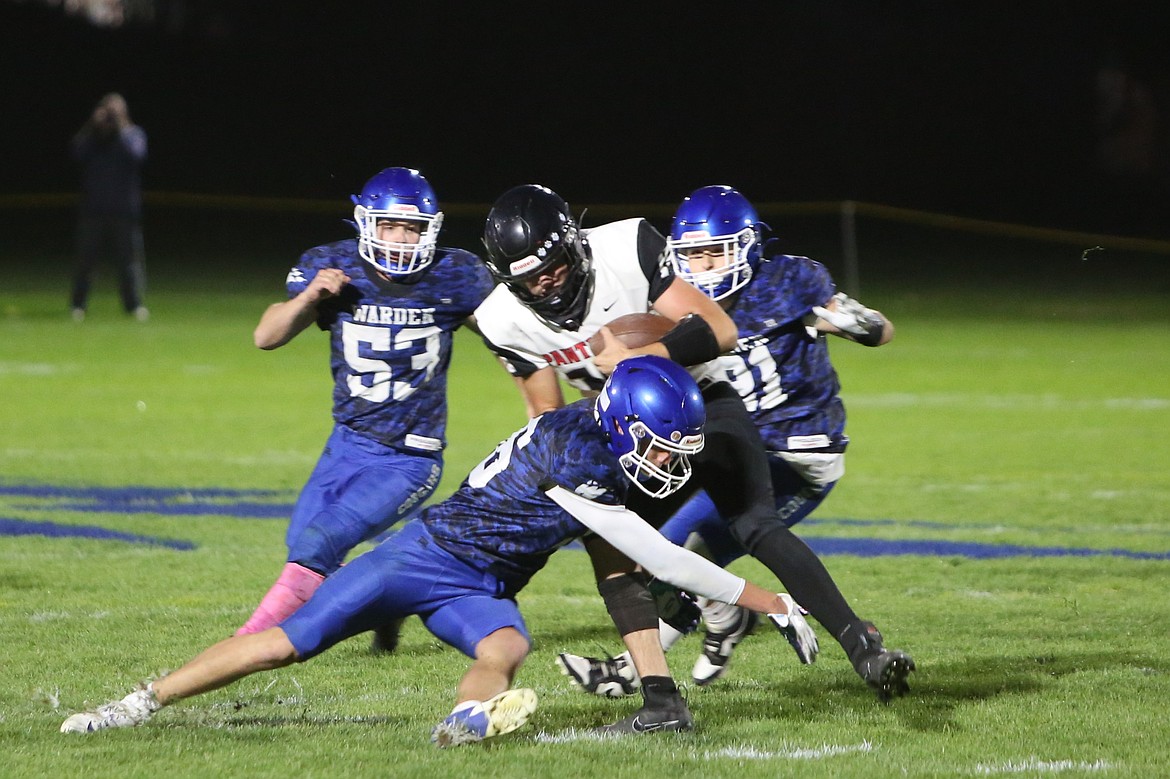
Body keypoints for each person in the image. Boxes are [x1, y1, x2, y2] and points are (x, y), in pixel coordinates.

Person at [60, 356, 816, 746]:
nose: (671, 462)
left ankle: (463, 721)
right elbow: (662, 558)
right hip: (423, 556)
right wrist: (770, 599)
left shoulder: (599, 441)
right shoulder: (575, 453)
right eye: (661, 445)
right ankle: (135, 703)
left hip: (480, 580)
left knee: (506, 641)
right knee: (285, 645)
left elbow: (627, 567)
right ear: (623, 425)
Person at [474, 184, 912, 713]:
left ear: (575, 244)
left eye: (554, 267)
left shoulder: (625, 246)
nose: (545, 285)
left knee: (756, 525)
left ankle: (863, 648)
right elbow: (545, 414)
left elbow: (720, 329)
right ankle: (657, 692)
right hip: (627, 435)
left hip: (702, 399)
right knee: (622, 551)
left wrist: (646, 355)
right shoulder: (500, 317)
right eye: (527, 278)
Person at [234, 167, 495, 648]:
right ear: (366, 224)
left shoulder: (454, 273)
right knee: (303, 549)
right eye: (390, 226)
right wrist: (312, 296)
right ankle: (391, 602)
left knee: (317, 546)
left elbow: (511, 339)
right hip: (346, 444)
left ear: (430, 229)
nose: (400, 238)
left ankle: (246, 643)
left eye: (412, 227)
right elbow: (265, 336)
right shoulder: (332, 265)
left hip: (410, 457)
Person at [69, 92, 149, 322]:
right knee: (85, 260)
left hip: (124, 211)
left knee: (128, 262)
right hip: (93, 209)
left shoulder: (133, 134)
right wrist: (92, 125)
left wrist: (120, 126)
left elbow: (136, 156)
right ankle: (78, 304)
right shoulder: (93, 139)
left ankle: (133, 305)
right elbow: (76, 152)